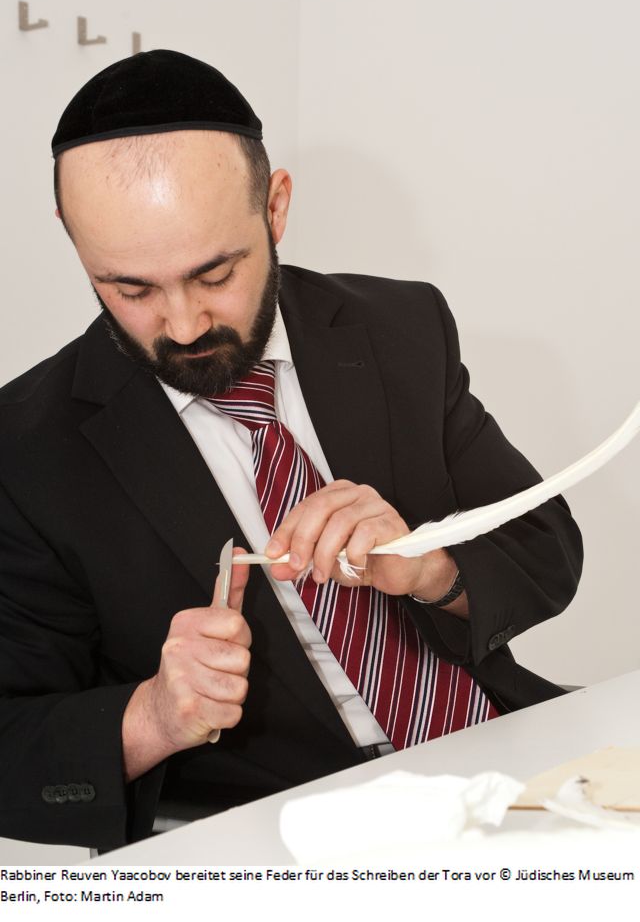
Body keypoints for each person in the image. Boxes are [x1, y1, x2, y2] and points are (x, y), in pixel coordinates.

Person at [0, 50, 582, 851]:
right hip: (278, 835)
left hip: (504, 761)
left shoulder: (398, 326)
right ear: (75, 244)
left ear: (275, 208)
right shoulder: (26, 447)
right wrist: (154, 716)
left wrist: (429, 567)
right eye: (130, 289)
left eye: (215, 274)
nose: (184, 326)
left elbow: (545, 551)